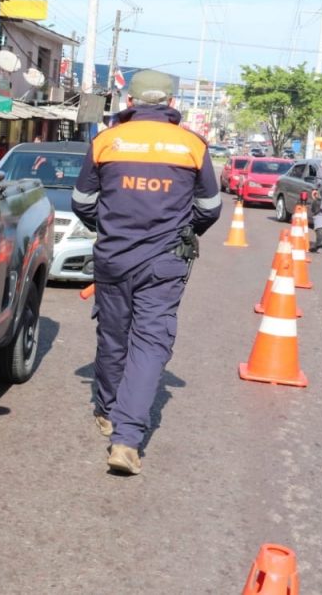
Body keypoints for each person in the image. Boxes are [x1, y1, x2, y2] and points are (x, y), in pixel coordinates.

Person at [71, 69, 222, 475]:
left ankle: (105, 410)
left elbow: (82, 201)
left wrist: (108, 228)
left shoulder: (106, 141)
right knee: (151, 342)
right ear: (172, 104)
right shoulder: (192, 145)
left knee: (113, 335)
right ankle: (126, 440)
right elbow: (209, 209)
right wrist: (183, 231)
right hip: (165, 261)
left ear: (129, 101)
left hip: (113, 257)